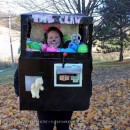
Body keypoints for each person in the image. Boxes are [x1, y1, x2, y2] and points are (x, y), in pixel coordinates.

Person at [14, 26, 73, 130]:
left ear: (61, 39)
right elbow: (19, 74)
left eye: (56, 37)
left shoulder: (71, 54)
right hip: (44, 101)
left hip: (65, 100)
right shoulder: (35, 55)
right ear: (46, 40)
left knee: (63, 127)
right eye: (50, 37)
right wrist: (20, 94)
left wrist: (87, 93)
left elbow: (84, 73)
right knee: (45, 127)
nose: (53, 39)